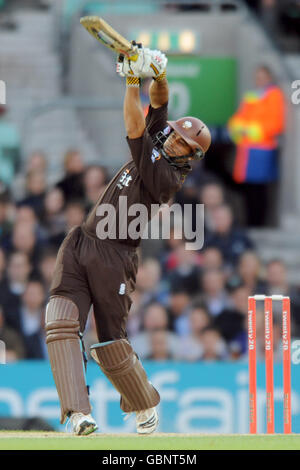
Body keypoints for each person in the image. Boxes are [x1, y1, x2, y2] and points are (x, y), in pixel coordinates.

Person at [45, 45, 211, 436]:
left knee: (110, 343)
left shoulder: (166, 178)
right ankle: (78, 413)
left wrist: (133, 79)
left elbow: (135, 126)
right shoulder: (160, 140)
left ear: (190, 158)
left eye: (184, 146)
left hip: (114, 258)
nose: (174, 142)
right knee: (60, 322)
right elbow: (160, 103)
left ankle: (143, 403)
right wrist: (160, 74)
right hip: (82, 241)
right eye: (175, 137)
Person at [227, 65, 285, 227]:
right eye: (257, 77)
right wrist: (239, 127)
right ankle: (251, 223)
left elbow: (275, 124)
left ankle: (258, 224)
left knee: (259, 190)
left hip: (262, 150)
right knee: (249, 190)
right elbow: (239, 117)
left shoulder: (274, 95)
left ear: (269, 78)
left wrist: (249, 130)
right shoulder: (252, 96)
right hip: (247, 150)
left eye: (263, 76)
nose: (259, 80)